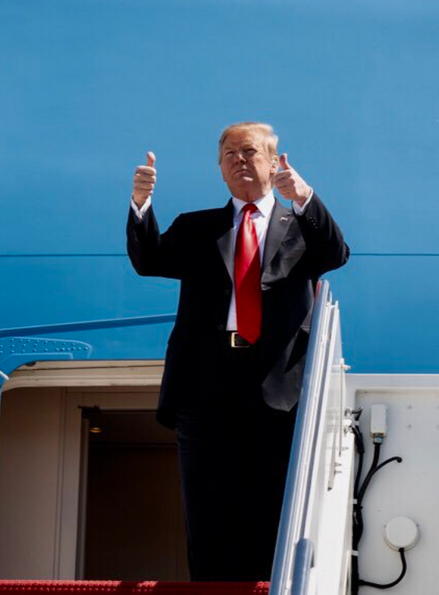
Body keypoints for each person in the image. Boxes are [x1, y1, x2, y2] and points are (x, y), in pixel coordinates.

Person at [126, 121, 349, 582]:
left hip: (276, 392)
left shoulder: (299, 227)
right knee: (207, 519)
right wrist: (141, 204)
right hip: (205, 388)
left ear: (273, 162)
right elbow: (149, 261)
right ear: (220, 169)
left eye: (249, 152)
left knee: (269, 517)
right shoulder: (196, 227)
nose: (239, 160)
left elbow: (335, 253)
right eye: (229, 154)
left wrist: (304, 197)